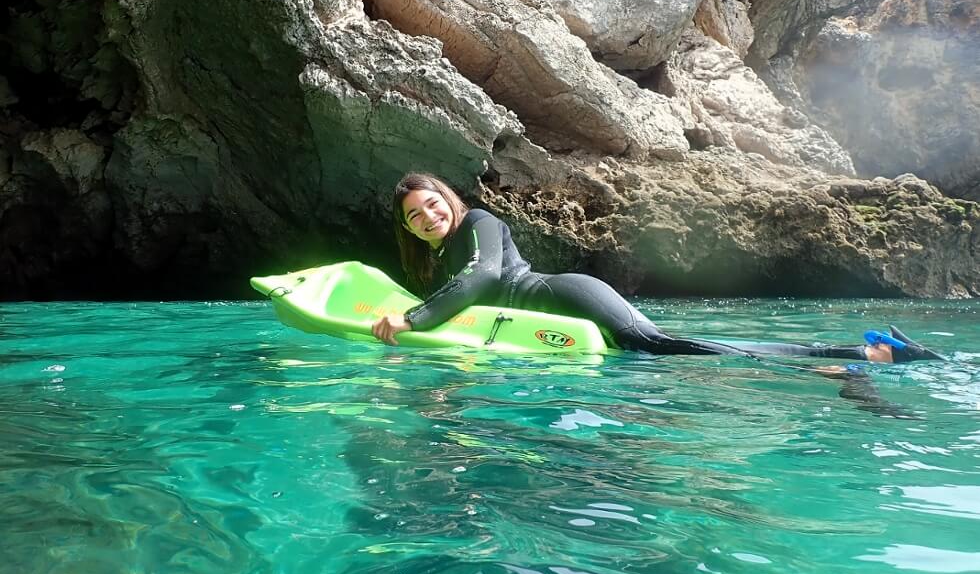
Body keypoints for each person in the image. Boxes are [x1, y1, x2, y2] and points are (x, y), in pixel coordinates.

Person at [371, 173, 943, 366]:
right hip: (542, 322)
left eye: (431, 202)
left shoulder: (480, 225)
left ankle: (866, 354)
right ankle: (849, 355)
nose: (428, 215)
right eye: (414, 216)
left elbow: (484, 281)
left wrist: (413, 320)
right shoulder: (442, 255)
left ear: (447, 197)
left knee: (661, 346)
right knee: (668, 345)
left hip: (567, 298)